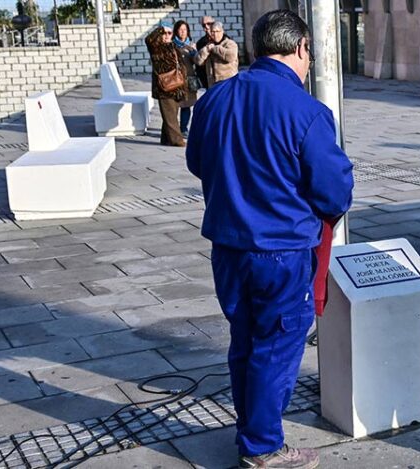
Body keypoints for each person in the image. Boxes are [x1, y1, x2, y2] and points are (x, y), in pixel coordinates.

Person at [186, 9, 353, 469]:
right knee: (276, 347)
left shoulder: (213, 100)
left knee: (245, 340)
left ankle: (252, 432)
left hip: (228, 246)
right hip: (281, 252)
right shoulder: (306, 111)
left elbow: (198, 163)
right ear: (301, 49)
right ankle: (262, 447)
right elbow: (334, 189)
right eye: (309, 56)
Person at [145, 21, 186, 147]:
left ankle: (166, 139)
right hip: (164, 86)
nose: (167, 35)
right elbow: (149, 39)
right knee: (170, 116)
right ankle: (177, 140)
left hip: (177, 85)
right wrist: (160, 29)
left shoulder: (173, 46)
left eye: (169, 33)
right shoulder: (156, 47)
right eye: (164, 33)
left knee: (171, 114)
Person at [173, 20, 198, 139]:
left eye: (185, 30)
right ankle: (173, 128)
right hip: (175, 80)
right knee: (174, 105)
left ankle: (184, 128)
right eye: (180, 29)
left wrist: (194, 52)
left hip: (189, 79)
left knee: (187, 105)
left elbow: (197, 62)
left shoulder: (191, 45)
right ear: (176, 31)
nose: (183, 32)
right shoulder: (172, 45)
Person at [194, 21, 239, 87]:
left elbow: (231, 56)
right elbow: (198, 61)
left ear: (222, 31)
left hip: (228, 83)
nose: (215, 34)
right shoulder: (208, 45)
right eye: (213, 32)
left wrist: (215, 49)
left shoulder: (229, 43)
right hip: (212, 84)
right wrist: (206, 50)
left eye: (217, 31)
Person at [195, 15, 214, 89]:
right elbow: (199, 66)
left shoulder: (225, 39)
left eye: (209, 23)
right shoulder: (200, 43)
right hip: (209, 81)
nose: (206, 26)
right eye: (204, 25)